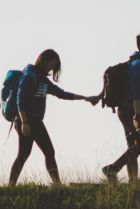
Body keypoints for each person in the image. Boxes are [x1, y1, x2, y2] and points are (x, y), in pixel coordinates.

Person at [9, 49, 98, 186]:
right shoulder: (30, 76)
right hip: (25, 121)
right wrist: (24, 122)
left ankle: (57, 185)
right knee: (23, 155)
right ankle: (11, 187)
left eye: (54, 66)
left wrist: (85, 98)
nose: (52, 69)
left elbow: (61, 94)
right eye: (52, 64)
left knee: (49, 152)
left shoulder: (43, 80)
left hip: (37, 122)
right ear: (44, 61)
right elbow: (19, 100)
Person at [102, 31, 140, 183]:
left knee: (133, 145)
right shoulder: (139, 65)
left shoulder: (138, 63)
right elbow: (135, 90)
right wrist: (137, 115)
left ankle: (133, 181)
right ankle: (112, 168)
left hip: (126, 110)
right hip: (129, 111)